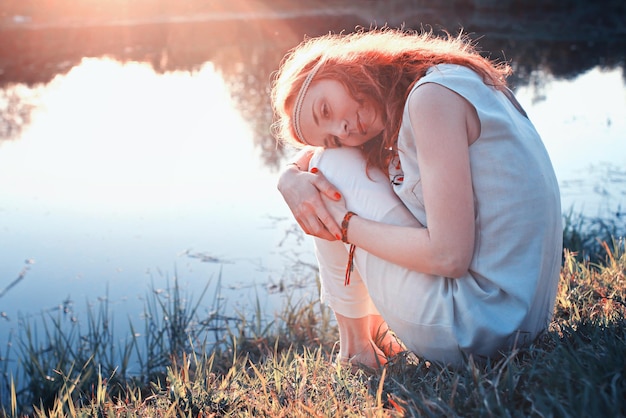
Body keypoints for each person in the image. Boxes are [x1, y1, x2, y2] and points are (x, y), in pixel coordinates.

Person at [270, 28, 563, 369]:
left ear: (339, 68)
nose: (342, 131)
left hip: (474, 330)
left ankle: (356, 349)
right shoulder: (444, 80)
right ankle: (374, 337)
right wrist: (289, 174)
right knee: (324, 162)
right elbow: (315, 153)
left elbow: (449, 256)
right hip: (522, 320)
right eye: (332, 137)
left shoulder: (430, 102)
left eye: (325, 109)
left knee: (326, 168)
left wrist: (345, 225)